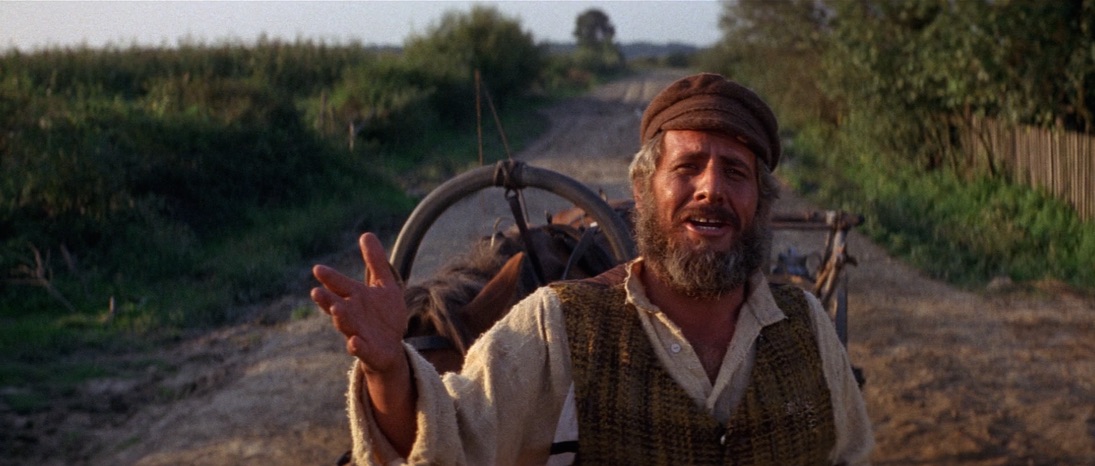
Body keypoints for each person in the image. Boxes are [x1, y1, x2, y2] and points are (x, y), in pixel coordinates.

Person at [311, 73, 874, 465]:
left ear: (759, 203)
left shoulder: (807, 327)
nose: (711, 188)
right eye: (687, 167)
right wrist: (389, 372)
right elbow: (452, 443)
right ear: (643, 193)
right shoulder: (556, 326)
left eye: (735, 172)